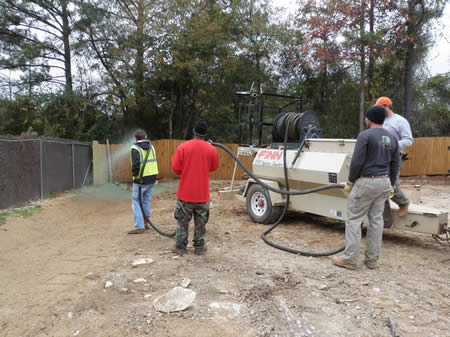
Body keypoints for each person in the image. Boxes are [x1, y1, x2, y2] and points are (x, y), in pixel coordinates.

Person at [332, 105, 400, 270]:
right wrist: (392, 184)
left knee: (354, 219)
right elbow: (396, 163)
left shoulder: (365, 135)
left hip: (367, 181)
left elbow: (356, 161)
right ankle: (371, 260)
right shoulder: (392, 137)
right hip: (384, 182)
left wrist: (350, 181)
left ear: (368, 119)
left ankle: (350, 259)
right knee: (376, 221)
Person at [171, 119, 219, 255]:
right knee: (201, 223)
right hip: (202, 195)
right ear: (205, 133)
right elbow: (213, 167)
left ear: (194, 132)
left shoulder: (183, 147)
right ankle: (199, 247)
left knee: (182, 222)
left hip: (185, 194)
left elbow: (176, 168)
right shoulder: (211, 149)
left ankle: (180, 247)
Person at [375, 96, 413, 221]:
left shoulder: (399, 121)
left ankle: (403, 202)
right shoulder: (381, 121)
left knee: (391, 185)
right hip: (382, 156)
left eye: (380, 108)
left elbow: (408, 140)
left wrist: (394, 145)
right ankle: (385, 220)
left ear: (386, 106)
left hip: (395, 157)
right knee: (381, 187)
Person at [128, 130, 158, 234]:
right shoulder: (151, 147)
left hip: (141, 179)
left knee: (136, 201)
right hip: (152, 178)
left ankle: (139, 226)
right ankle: (146, 222)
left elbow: (136, 165)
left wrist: (135, 177)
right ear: (145, 137)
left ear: (136, 139)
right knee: (146, 200)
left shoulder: (135, 148)